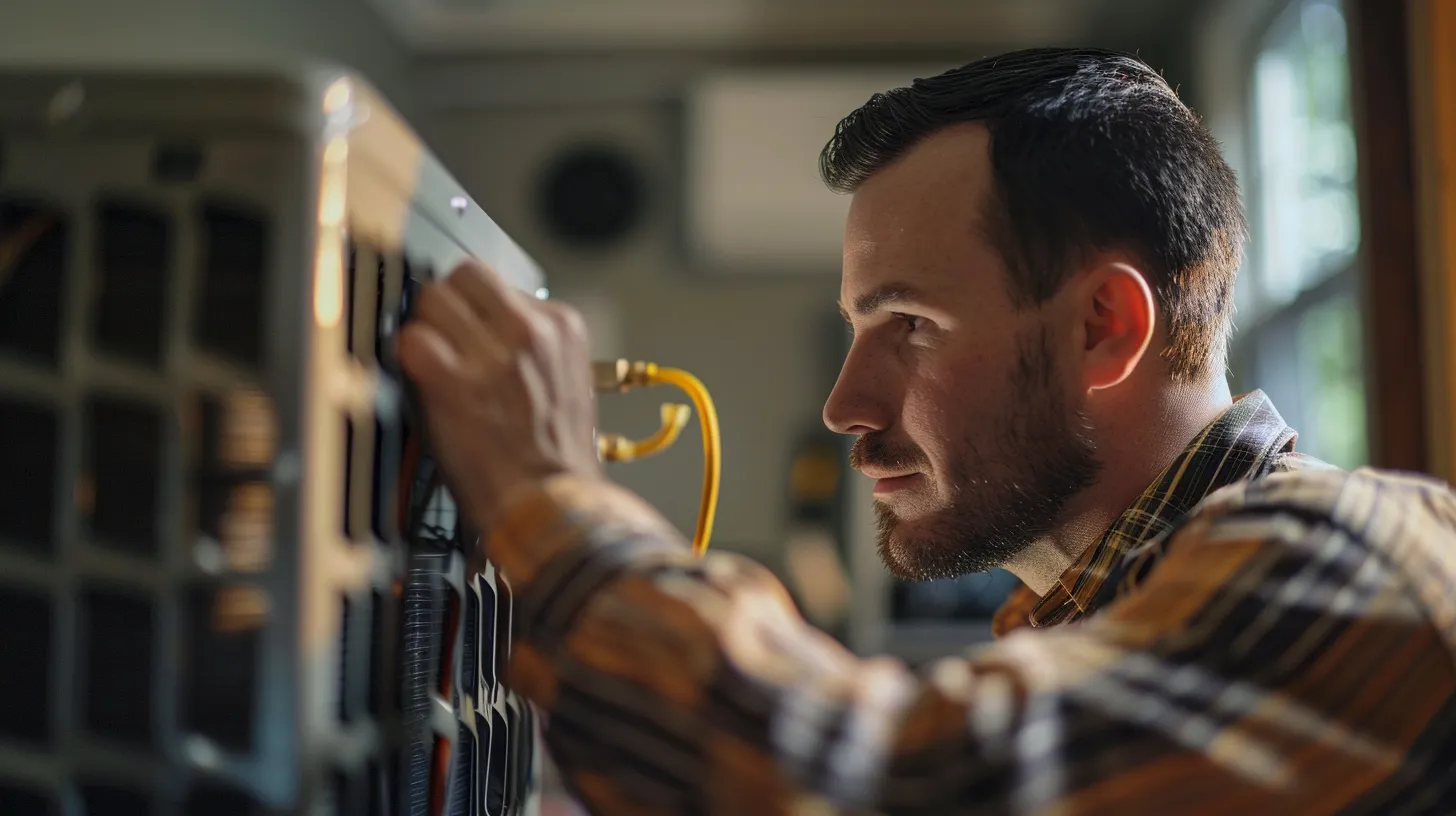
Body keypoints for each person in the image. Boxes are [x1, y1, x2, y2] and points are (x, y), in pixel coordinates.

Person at [398, 47, 1456, 813]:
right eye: (861, 326)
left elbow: (888, 786)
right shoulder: (1083, 630)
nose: (844, 405)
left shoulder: (1352, 557)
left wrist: (549, 496)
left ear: (1106, 327)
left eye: (910, 324)